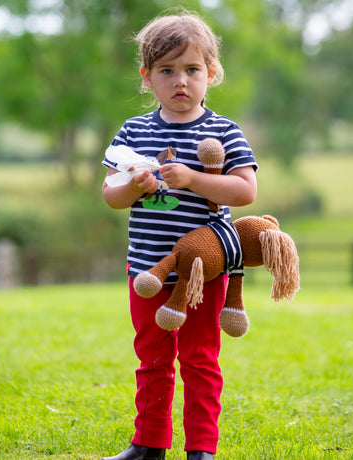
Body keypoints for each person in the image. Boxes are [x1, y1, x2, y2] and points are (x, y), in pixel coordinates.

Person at [101, 10, 258, 460]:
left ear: (211, 72)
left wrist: (192, 179)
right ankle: (148, 444)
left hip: (203, 271)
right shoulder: (134, 132)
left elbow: (245, 189)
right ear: (147, 77)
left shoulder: (224, 131)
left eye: (191, 69)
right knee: (151, 358)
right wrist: (134, 185)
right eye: (166, 71)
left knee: (199, 359)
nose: (180, 81)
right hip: (147, 267)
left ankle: (201, 450)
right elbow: (110, 195)